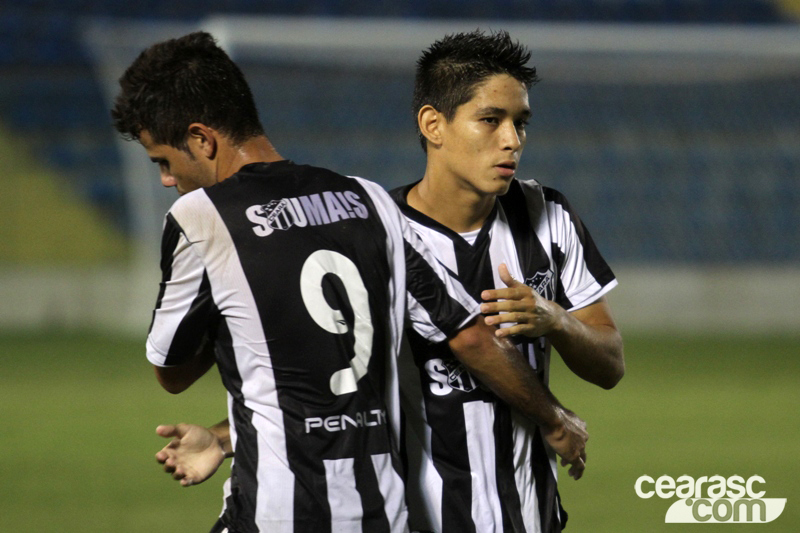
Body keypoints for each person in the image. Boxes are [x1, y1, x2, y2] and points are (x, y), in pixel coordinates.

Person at [113, 31, 588, 533]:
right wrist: (554, 416)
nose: (167, 179)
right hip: (381, 513)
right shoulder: (369, 202)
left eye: (164, 160)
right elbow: (470, 335)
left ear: (202, 139)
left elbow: (172, 372)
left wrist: (239, 293)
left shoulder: (201, 217)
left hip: (276, 513)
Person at [392, 30, 625, 533]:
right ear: (434, 124)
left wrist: (556, 319)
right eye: (490, 120)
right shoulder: (379, 233)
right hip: (419, 517)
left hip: (530, 514)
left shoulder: (548, 214)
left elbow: (610, 364)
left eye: (520, 123)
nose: (512, 140)